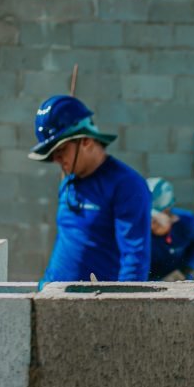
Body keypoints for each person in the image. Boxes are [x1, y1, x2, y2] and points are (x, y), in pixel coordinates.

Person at [28, 95, 151, 285]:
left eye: (61, 151)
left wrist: (126, 306)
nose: (56, 160)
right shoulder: (69, 182)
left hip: (92, 304)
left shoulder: (126, 185)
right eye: (52, 155)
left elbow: (134, 258)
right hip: (51, 295)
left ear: (85, 141)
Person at [147, 177, 194, 281]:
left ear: (167, 211)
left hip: (176, 281)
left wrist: (185, 269)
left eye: (153, 218)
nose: (149, 223)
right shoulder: (135, 230)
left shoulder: (187, 223)